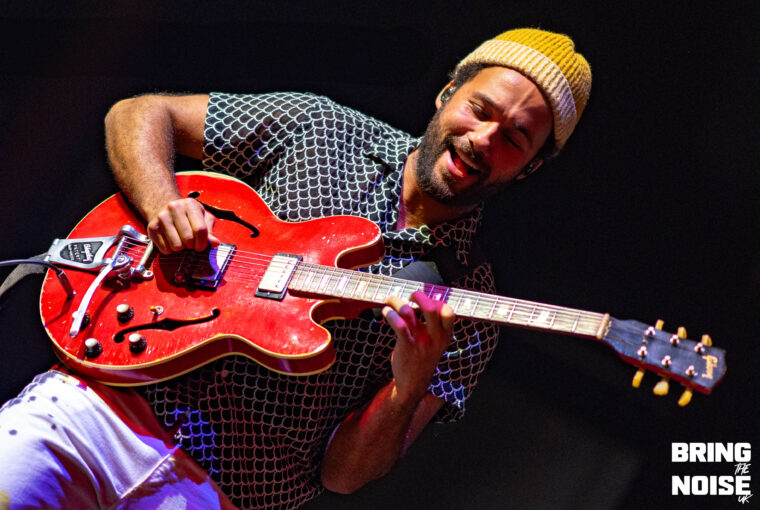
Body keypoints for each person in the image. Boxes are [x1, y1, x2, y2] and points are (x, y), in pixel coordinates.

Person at [0, 28, 590, 509]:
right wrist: (163, 205)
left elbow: (344, 475)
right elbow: (140, 114)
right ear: (447, 93)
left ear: (530, 168)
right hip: (97, 407)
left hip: (216, 497)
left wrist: (409, 384)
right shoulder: (321, 128)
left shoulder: (471, 306)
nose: (484, 139)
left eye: (515, 138)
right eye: (479, 109)